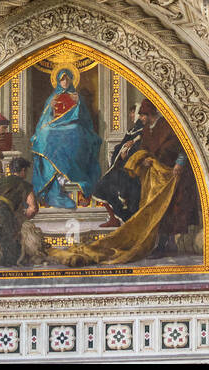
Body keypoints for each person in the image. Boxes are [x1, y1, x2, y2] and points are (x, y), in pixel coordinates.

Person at [61, 99, 198, 268]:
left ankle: (165, 245)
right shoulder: (147, 129)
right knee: (153, 208)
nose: (140, 118)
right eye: (139, 115)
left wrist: (179, 163)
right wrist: (144, 159)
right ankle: (159, 244)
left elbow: (183, 146)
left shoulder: (167, 125)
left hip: (172, 174)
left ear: (150, 114)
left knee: (167, 210)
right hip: (154, 176)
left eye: (142, 115)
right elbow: (146, 149)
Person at [30, 67, 101, 209]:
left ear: (71, 80)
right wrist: (51, 108)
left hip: (73, 126)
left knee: (75, 131)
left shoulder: (77, 96)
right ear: (57, 81)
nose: (65, 82)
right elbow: (45, 121)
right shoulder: (52, 98)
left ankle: (77, 180)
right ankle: (51, 187)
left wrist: (77, 104)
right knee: (45, 134)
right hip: (55, 127)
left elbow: (85, 119)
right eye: (62, 79)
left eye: (67, 79)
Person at [92, 105, 143, 227]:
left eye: (133, 113)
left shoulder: (142, 132)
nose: (131, 115)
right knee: (100, 187)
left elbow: (139, 151)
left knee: (114, 189)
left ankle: (124, 220)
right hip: (122, 168)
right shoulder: (133, 130)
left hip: (131, 171)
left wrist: (127, 152)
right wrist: (121, 150)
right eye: (131, 113)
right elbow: (121, 146)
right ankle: (113, 218)